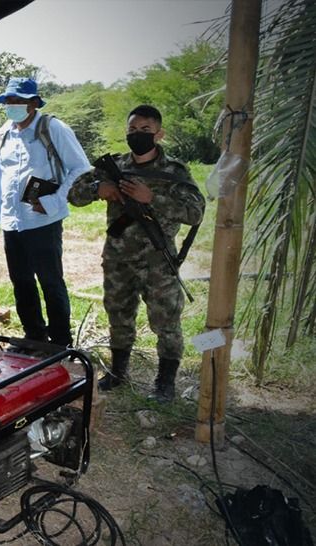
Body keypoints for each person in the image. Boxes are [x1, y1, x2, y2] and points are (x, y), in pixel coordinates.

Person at [68, 104, 205, 402]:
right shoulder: (114, 166)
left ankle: (165, 382)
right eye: (133, 130)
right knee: (118, 315)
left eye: (145, 130)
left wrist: (151, 198)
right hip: (118, 258)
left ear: (159, 134)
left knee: (166, 320)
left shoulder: (174, 172)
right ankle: (118, 373)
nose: (138, 135)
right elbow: (74, 195)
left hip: (158, 260)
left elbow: (195, 213)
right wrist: (98, 187)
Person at [0, 77, 90, 347]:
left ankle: (60, 341)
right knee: (21, 282)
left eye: (17, 101)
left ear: (33, 103)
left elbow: (80, 169)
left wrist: (54, 200)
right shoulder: (2, 134)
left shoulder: (53, 128)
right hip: (13, 221)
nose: (12, 106)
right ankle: (34, 336)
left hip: (43, 220)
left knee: (51, 282)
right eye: (8, 101)